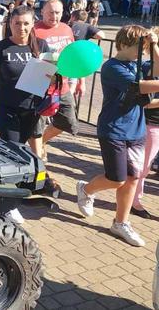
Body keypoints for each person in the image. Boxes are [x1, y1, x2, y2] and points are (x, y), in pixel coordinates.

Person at [76, 26, 159, 247]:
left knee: (133, 178)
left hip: (137, 130)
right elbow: (141, 86)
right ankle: (85, 189)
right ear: (123, 45)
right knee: (117, 178)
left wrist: (154, 45)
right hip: (113, 129)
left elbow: (158, 70)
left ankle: (121, 222)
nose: (143, 52)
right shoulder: (112, 67)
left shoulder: (139, 63)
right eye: (139, 47)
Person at [32, 0, 82, 195]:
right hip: (41, 85)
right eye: (51, 12)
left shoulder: (66, 29)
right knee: (37, 125)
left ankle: (42, 141)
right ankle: (39, 170)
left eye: (58, 12)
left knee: (69, 122)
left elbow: (75, 57)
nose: (55, 16)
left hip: (63, 85)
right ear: (42, 12)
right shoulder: (34, 29)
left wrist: (80, 80)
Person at [0, 5, 46, 144]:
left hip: (31, 108)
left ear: (33, 24)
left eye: (26, 23)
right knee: (13, 146)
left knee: (21, 145)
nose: (21, 27)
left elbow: (46, 75)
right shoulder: (0, 47)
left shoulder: (41, 45)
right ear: (10, 23)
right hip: (5, 107)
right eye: (17, 23)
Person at [132, 26, 159, 219]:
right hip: (151, 124)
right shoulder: (146, 68)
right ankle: (134, 201)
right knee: (144, 166)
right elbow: (143, 103)